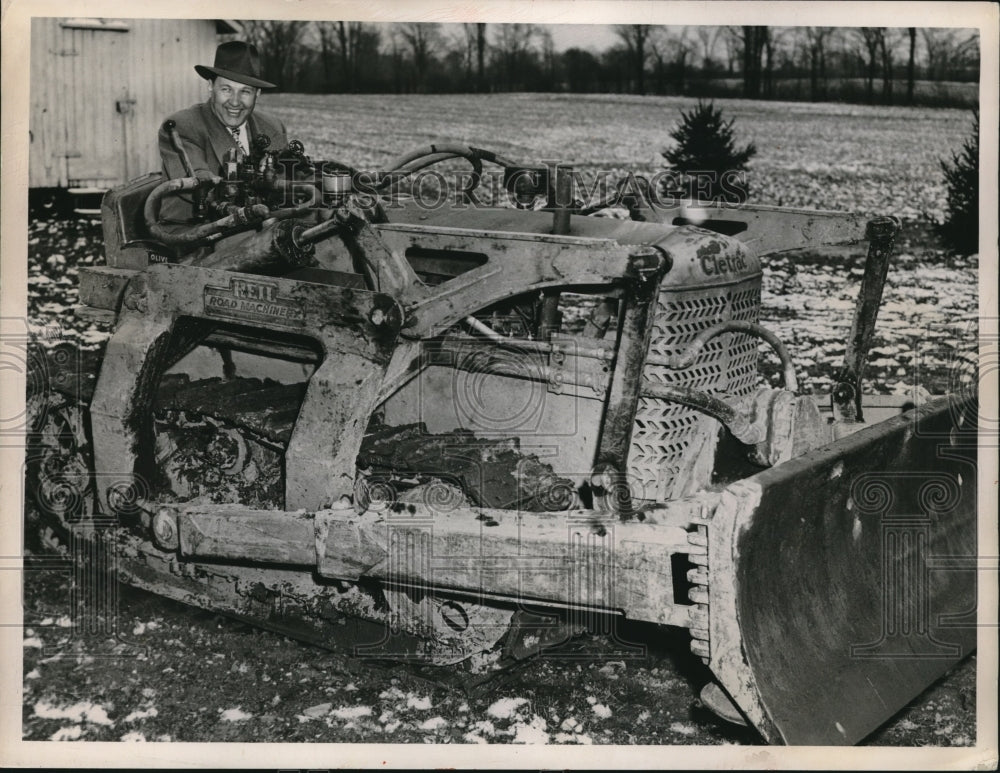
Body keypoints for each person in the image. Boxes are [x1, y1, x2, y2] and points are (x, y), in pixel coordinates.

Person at [157, 40, 289, 225]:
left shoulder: (272, 127)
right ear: (211, 86)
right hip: (193, 232)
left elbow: (288, 181)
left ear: (257, 94)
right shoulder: (182, 126)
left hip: (261, 226)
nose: (235, 102)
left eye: (245, 91)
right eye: (226, 89)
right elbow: (199, 180)